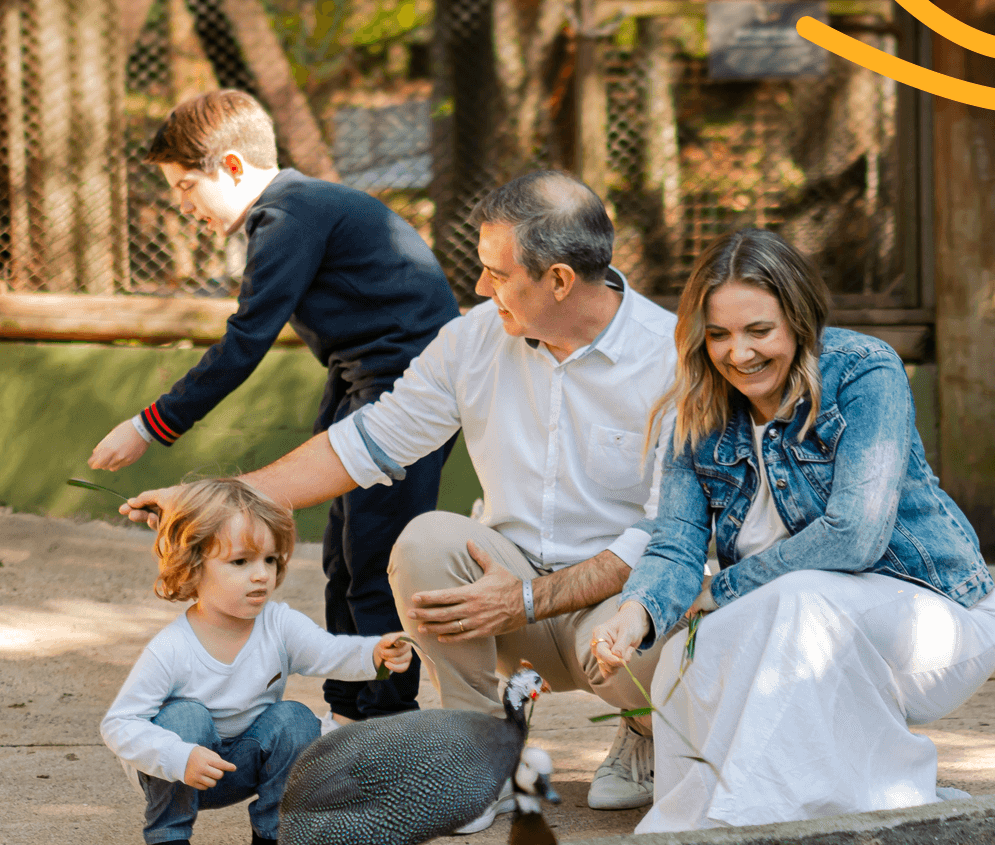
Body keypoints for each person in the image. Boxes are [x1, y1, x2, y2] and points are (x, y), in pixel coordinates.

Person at [124, 171, 679, 832]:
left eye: (496, 273)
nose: (480, 288)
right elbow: (366, 443)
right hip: (505, 590)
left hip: (613, 610)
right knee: (424, 541)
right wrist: (215, 497)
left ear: (558, 280)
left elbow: (668, 534)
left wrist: (531, 599)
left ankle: (643, 729)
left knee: (665, 625)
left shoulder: (673, 358)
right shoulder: (473, 338)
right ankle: (481, 758)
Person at [588, 228, 995, 832]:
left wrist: (721, 589)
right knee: (697, 649)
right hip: (789, 621)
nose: (738, 353)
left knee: (795, 602)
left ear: (799, 318)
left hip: (936, 622)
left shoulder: (863, 371)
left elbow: (855, 535)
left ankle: (748, 824)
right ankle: (712, 823)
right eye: (719, 334)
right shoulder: (697, 409)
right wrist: (635, 615)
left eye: (759, 331)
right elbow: (676, 541)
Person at [89, 89, 459, 726]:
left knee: (376, 561)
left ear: (232, 167)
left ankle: (390, 724)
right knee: (343, 557)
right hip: (360, 378)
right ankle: (350, 714)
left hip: (407, 389)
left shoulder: (288, 213)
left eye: (186, 186)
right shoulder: (295, 209)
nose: (183, 205)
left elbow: (245, 342)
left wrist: (150, 425)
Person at [100, 477, 415, 845]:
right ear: (193, 566)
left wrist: (375, 653)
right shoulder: (172, 648)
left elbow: (328, 652)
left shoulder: (279, 624)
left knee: (296, 719)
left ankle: (273, 833)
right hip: (178, 771)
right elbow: (119, 724)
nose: (262, 575)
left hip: (245, 765)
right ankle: (169, 835)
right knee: (186, 717)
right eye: (240, 561)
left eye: (270, 559)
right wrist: (177, 756)